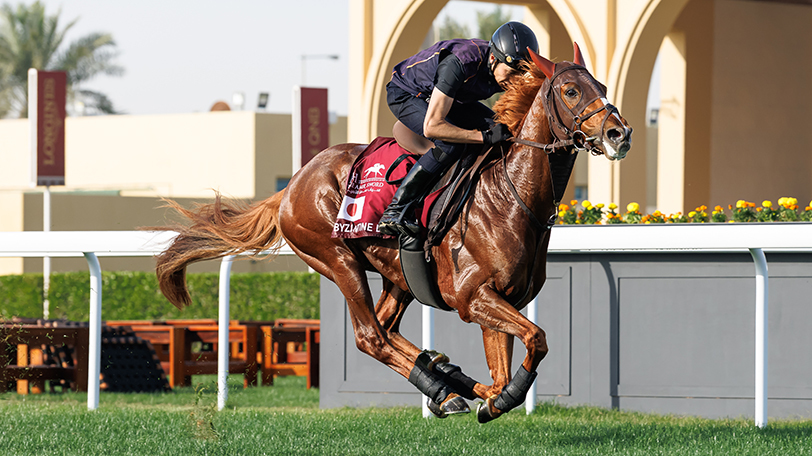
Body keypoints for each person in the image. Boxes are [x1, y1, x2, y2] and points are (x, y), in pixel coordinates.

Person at [377, 21, 539, 237]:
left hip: (451, 98)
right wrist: (482, 137)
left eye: (519, 75)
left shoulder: (501, 68)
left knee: (501, 128)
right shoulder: (460, 63)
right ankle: (395, 210)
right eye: (510, 73)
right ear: (493, 58)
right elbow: (432, 127)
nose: (513, 82)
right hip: (407, 94)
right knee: (449, 144)